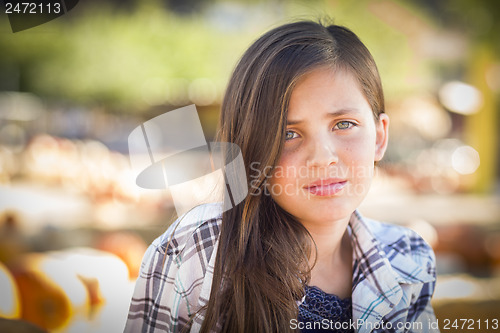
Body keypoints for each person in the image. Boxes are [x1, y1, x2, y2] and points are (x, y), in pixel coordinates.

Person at [125, 20, 439, 333]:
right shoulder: (196, 253)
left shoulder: (407, 257)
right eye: (288, 133)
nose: (322, 159)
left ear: (380, 137)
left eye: (344, 124)